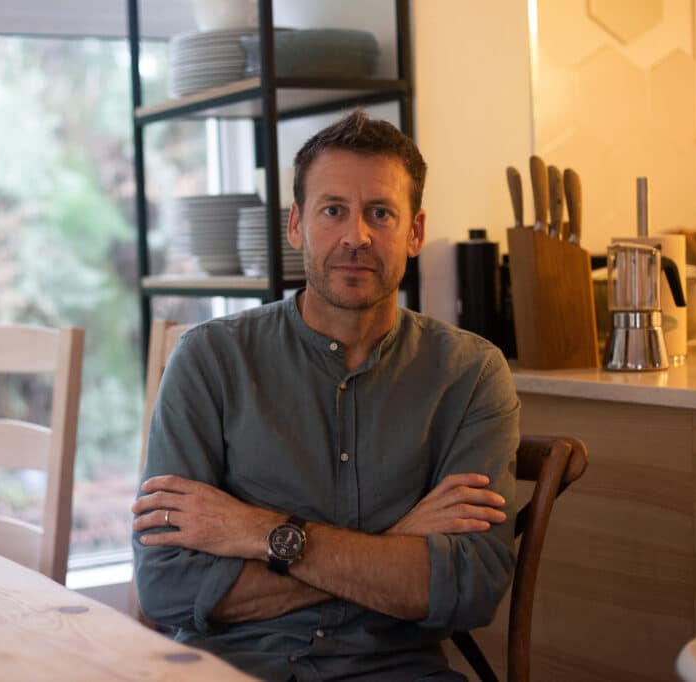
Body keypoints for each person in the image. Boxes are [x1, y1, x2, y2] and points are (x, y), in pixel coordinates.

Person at [132, 109, 519, 682]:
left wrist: (255, 533)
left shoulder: (471, 375)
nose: (356, 236)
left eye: (380, 213)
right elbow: (166, 585)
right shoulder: (209, 360)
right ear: (296, 225)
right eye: (333, 210)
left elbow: (470, 590)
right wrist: (394, 546)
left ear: (414, 232)